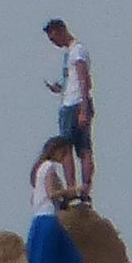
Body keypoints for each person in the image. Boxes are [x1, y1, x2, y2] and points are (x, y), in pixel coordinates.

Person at [26, 135, 87, 263]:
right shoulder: (49, 168)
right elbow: (52, 193)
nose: (66, 157)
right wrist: (75, 190)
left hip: (38, 220)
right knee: (71, 257)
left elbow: (36, 197)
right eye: (65, 153)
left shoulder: (39, 169)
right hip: (48, 220)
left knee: (41, 260)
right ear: (57, 151)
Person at [41, 19, 96, 203]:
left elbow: (84, 80)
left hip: (74, 104)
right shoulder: (70, 53)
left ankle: (76, 188)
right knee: (80, 148)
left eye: (54, 37)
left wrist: (83, 108)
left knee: (72, 149)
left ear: (62, 30)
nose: (54, 42)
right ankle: (79, 189)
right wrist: (59, 88)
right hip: (71, 100)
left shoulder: (77, 51)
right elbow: (75, 80)